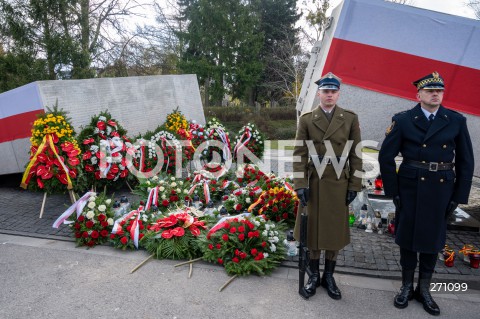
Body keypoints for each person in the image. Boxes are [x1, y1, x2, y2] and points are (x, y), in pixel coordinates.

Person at [378, 71, 474, 316]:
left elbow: (466, 161)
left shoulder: (455, 120)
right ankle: (406, 287)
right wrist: (393, 190)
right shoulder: (404, 120)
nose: (435, 94)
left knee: (433, 240)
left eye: (439, 91)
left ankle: (425, 290)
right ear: (418, 94)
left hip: (441, 187)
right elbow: (386, 157)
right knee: (408, 238)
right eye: (430, 90)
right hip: (411, 187)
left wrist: (459, 195)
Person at [293, 72, 363, 300]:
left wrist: (354, 184)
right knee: (312, 230)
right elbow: (299, 154)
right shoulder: (306, 119)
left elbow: (356, 154)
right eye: (325, 91)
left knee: (334, 231)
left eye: (333, 91)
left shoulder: (350, 118)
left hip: (339, 182)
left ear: (338, 93)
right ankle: (314, 275)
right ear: (319, 93)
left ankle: (329, 276)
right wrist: (300, 184)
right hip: (314, 181)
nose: (329, 95)